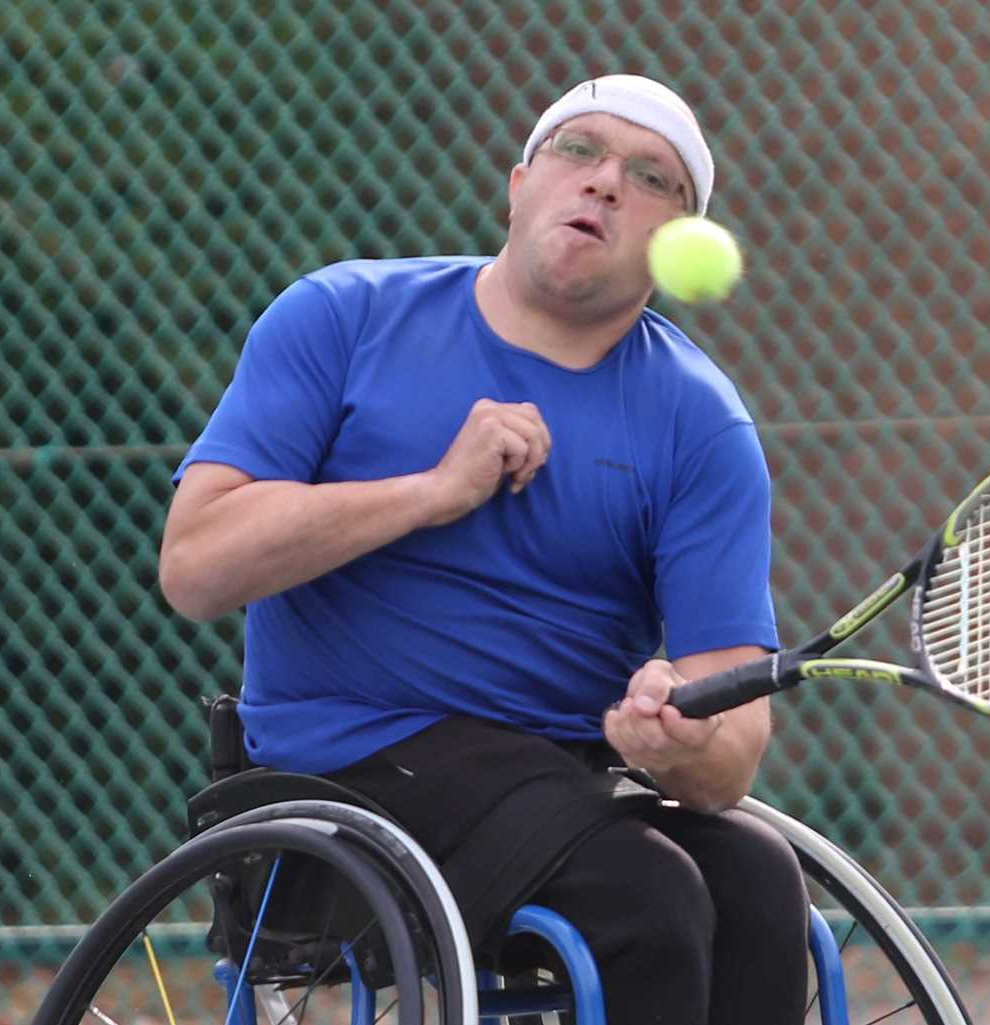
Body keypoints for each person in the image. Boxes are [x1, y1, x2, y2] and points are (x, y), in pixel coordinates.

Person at [158, 74, 808, 1023]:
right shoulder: (341, 316)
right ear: (518, 184)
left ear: (678, 245)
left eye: (651, 177)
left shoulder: (700, 424)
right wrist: (430, 493)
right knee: (647, 896)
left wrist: (677, 737)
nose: (604, 183)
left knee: (758, 877)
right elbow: (195, 566)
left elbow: (730, 756)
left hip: (561, 777)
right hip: (346, 766)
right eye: (577, 151)